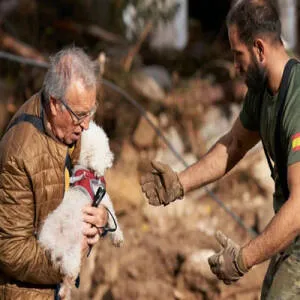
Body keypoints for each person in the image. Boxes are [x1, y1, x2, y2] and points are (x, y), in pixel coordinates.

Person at [140, 0, 300, 298]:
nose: (235, 67)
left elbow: (299, 207)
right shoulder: (262, 92)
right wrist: (178, 183)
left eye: (238, 55)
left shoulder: (297, 100)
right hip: (290, 246)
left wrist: (244, 259)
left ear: (260, 49)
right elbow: (234, 143)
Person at [0, 47, 108, 299]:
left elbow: (90, 183)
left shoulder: (69, 129)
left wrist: (101, 218)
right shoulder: (19, 155)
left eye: (91, 111)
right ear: (55, 104)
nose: (87, 124)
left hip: (57, 287)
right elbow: (9, 249)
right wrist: (67, 259)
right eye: (81, 115)